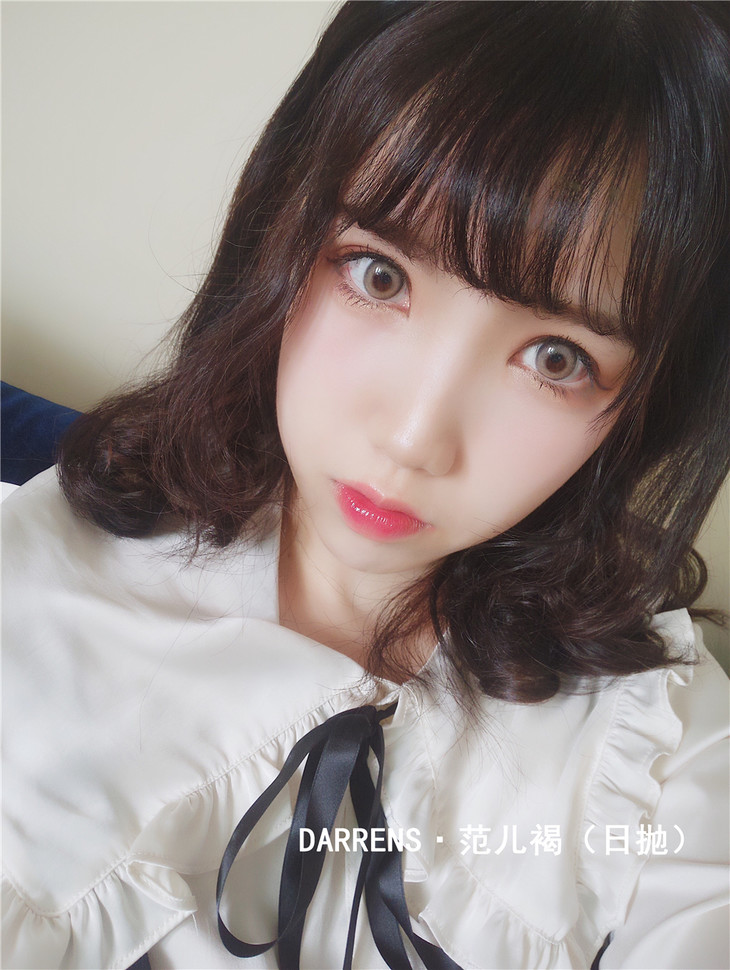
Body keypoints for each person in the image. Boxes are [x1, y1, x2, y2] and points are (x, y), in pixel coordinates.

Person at [3, 2, 729, 968]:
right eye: (378, 276)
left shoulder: (665, 748)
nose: (413, 439)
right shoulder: (31, 569)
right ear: (280, 226)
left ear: (643, 405)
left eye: (556, 358)